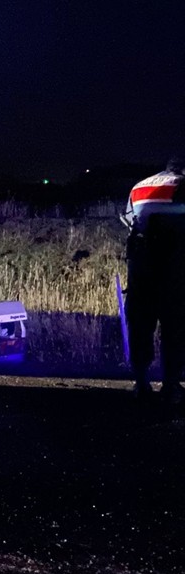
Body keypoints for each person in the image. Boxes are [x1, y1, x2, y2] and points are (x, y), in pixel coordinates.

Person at [121, 157, 185, 410]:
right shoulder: (182, 184)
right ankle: (171, 386)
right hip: (175, 270)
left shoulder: (140, 186)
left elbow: (130, 222)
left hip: (141, 269)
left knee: (140, 325)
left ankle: (141, 383)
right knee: (176, 329)